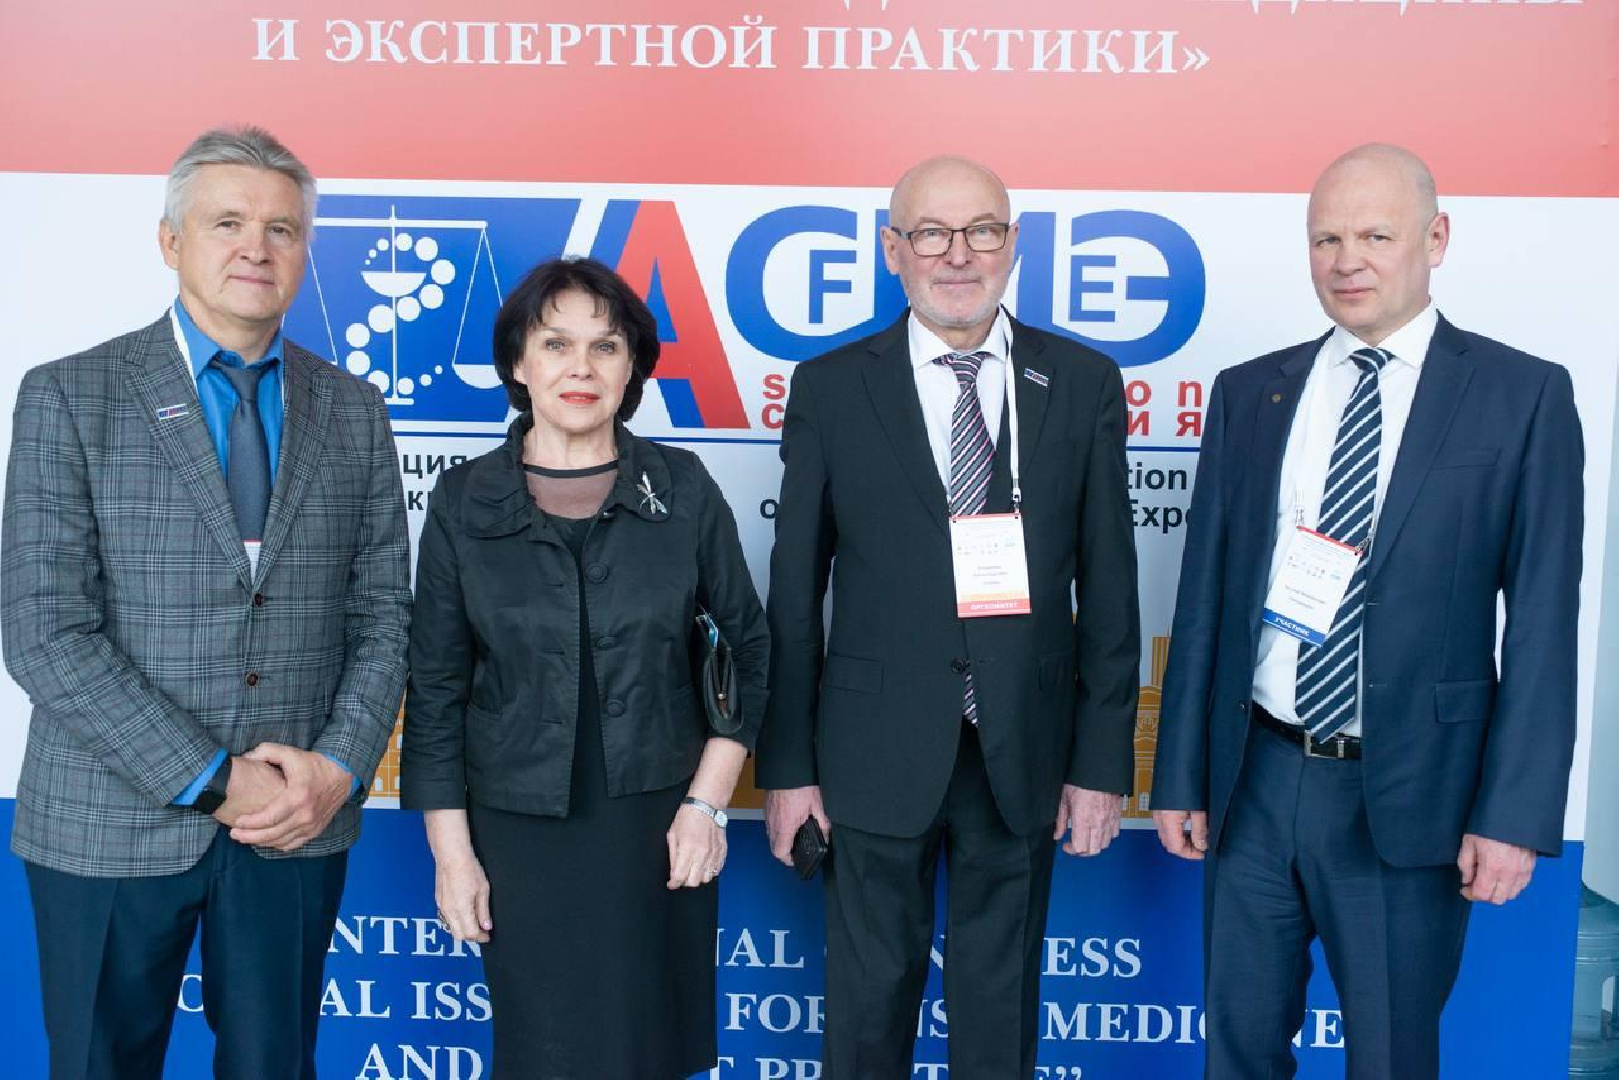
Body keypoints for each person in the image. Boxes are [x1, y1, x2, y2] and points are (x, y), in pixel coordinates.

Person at [1151, 144, 1583, 1079]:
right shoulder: (1250, 392)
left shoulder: (1521, 396)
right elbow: (1205, 602)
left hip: (1411, 794)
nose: (1346, 262)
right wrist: (1179, 775)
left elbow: (1544, 626)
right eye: (1326, 240)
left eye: (1375, 237)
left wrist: (1512, 815)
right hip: (1255, 779)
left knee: (1389, 1058)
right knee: (1236, 1052)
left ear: (1435, 239)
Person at [0, 125, 412, 1079]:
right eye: (228, 222)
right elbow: (44, 631)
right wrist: (217, 779)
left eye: (282, 229)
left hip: (296, 822)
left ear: (305, 250)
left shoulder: (353, 409)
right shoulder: (71, 395)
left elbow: (384, 615)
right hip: (108, 820)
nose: (255, 248)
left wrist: (338, 769)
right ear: (170, 239)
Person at [756, 155, 1141, 1077]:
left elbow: (1111, 589)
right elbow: (793, 593)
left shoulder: (1081, 381)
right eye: (931, 232)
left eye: (981, 231)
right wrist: (789, 768)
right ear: (893, 249)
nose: (957, 254)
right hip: (869, 754)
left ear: (1014, 244)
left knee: (1000, 1014)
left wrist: (1098, 763)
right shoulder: (830, 387)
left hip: (1023, 751)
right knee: (865, 1011)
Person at [401, 255, 768, 1079]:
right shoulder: (462, 500)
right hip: (518, 832)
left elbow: (747, 650)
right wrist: (453, 859)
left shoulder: (680, 485)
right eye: (556, 344)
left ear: (631, 367)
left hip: (659, 821)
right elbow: (436, 690)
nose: (581, 367)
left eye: (605, 346)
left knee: (650, 1047)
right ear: (517, 363)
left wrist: (705, 807)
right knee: (545, 1052)